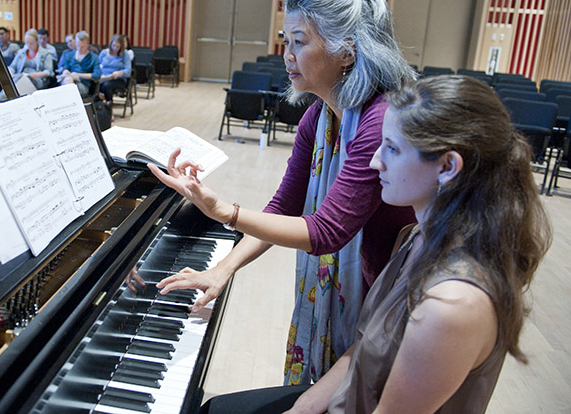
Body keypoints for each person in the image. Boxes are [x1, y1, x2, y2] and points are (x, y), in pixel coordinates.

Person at [199, 75, 552, 413]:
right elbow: (363, 347)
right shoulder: (416, 236)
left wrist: (222, 211)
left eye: (393, 149)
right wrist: (304, 406)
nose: (374, 160)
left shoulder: (452, 305)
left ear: (447, 167)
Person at [148, 0, 417, 385]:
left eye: (299, 42)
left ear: (347, 51)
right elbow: (283, 208)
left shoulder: (380, 120)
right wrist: (224, 268)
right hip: (364, 293)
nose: (287, 55)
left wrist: (224, 212)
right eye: (285, 40)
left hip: (391, 304)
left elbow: (326, 232)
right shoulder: (320, 116)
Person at [0, 28, 54, 102]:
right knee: (14, 83)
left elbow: (49, 71)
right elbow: (13, 66)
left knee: (12, 89)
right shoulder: (21, 53)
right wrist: (10, 71)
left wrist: (37, 74)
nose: (28, 45)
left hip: (36, 80)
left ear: (37, 41)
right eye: (27, 43)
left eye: (31, 43)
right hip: (21, 77)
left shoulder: (45, 53)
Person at [58, 30, 100, 97]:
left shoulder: (94, 58)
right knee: (67, 80)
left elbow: (97, 75)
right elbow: (65, 67)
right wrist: (65, 71)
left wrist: (79, 75)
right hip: (69, 80)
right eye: (78, 46)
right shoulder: (69, 55)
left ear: (88, 44)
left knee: (67, 83)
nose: (79, 49)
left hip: (83, 84)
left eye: (82, 47)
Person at [98, 34, 131, 105]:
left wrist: (119, 73)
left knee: (107, 86)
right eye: (113, 46)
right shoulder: (104, 53)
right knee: (94, 84)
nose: (115, 48)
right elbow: (97, 65)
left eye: (118, 47)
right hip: (103, 77)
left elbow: (128, 71)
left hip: (118, 79)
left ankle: (109, 107)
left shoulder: (125, 54)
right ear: (110, 44)